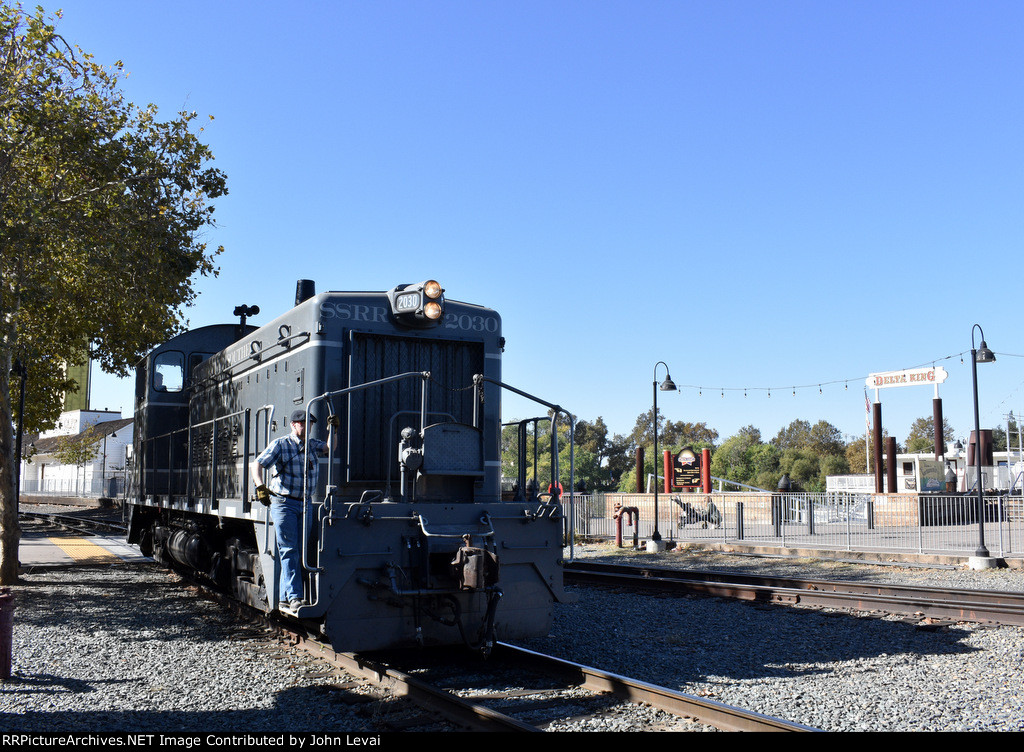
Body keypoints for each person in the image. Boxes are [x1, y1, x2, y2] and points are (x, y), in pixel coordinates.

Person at [251, 409, 337, 613]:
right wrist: (260, 486)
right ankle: (295, 597)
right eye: (301, 422)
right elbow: (258, 463)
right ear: (292, 424)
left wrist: (333, 429)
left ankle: (283, 598)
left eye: (309, 423)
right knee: (289, 550)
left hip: (305, 503)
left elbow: (328, 448)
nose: (305, 426)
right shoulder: (280, 444)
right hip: (284, 503)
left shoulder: (312, 445)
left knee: (298, 550)